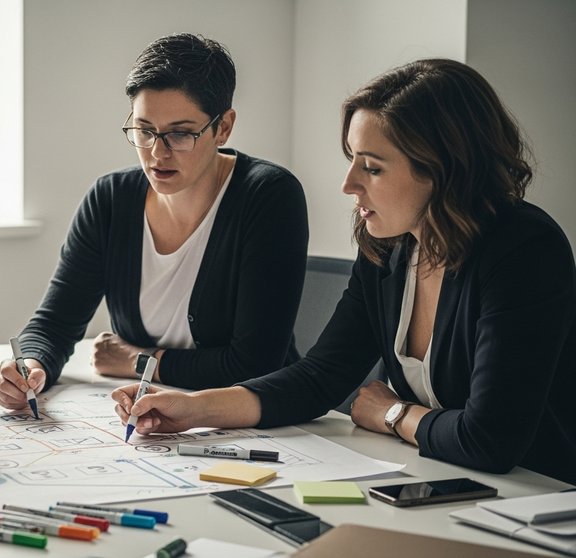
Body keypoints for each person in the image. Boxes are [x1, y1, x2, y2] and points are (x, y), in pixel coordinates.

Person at [112, 58, 576, 484]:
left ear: (442, 171)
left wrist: (394, 414)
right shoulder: (389, 244)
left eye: (371, 167)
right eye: (351, 159)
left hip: (537, 497)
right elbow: (320, 378)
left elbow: (490, 439)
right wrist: (194, 409)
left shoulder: (524, 250)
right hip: (448, 482)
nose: (347, 183)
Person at [0, 33, 308, 410]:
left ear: (223, 127)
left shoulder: (268, 196)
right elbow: (54, 324)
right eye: (144, 131)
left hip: (257, 426)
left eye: (179, 133)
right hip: (144, 423)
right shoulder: (111, 199)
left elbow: (255, 364)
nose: (157, 153)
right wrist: (29, 365)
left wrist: (137, 362)